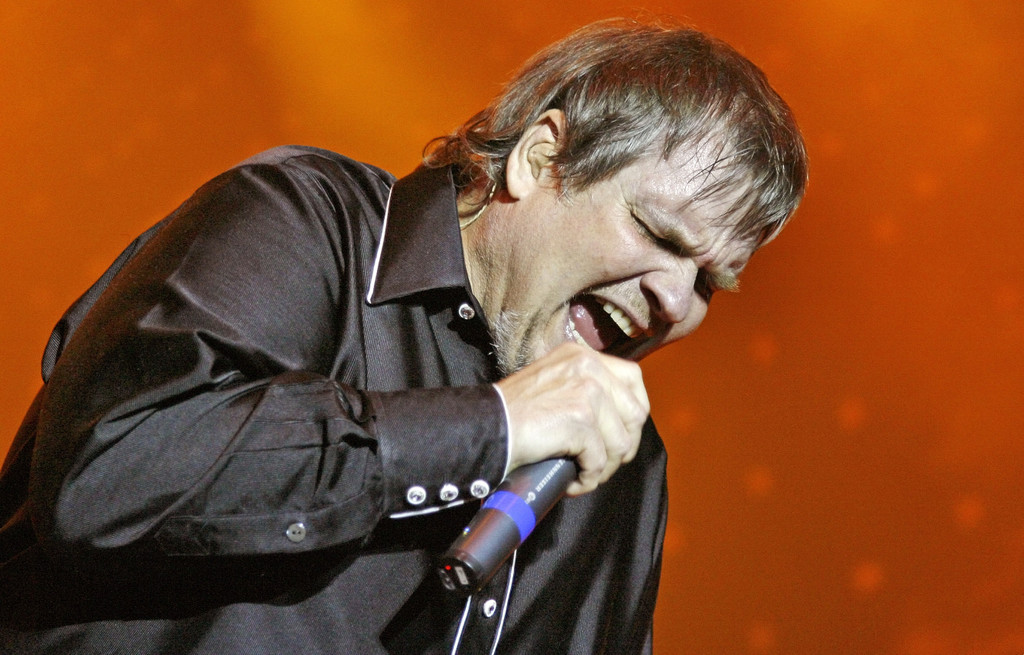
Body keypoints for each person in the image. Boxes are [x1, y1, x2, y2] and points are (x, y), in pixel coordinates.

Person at [0, 18, 807, 654]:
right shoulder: (308, 225)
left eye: (710, 281)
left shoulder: (623, 464)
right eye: (658, 234)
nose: (675, 299)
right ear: (540, 160)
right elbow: (111, 473)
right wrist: (492, 428)